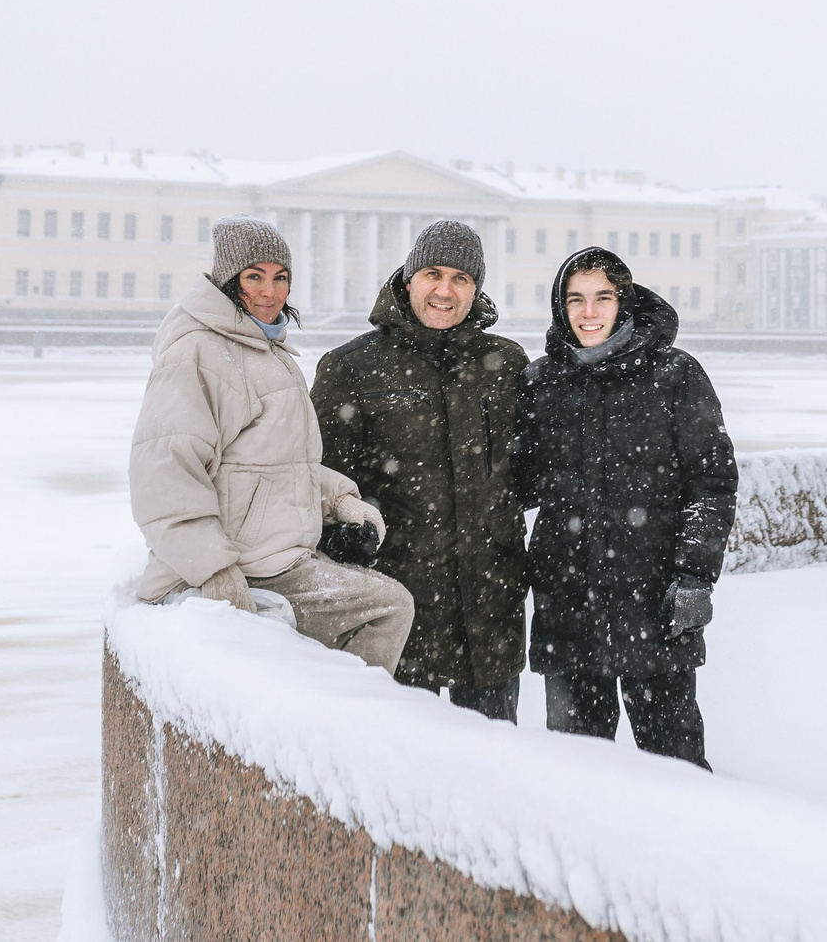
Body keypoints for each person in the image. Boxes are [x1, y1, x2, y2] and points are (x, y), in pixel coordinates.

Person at [128, 217, 413, 673]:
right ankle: (348, 721)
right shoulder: (200, 352)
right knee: (387, 606)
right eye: (253, 277)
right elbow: (165, 472)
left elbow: (274, 462)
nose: (269, 292)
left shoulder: (263, 350)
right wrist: (213, 570)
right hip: (243, 566)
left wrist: (337, 498)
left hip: (272, 555)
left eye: (281, 278)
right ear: (228, 281)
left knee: (379, 601)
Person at [516, 245, 738, 768]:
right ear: (559, 307)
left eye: (602, 298)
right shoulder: (541, 382)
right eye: (575, 300)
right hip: (568, 604)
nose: (588, 312)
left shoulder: (676, 376)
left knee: (676, 766)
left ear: (625, 302)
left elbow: (713, 483)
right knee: (577, 770)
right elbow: (517, 485)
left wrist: (694, 578)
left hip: (655, 606)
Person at [312, 219, 530, 719]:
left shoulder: (508, 363)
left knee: (496, 761)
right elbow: (318, 480)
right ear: (409, 278)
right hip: (398, 602)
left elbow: (530, 471)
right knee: (406, 763)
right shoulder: (352, 367)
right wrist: (345, 537)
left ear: (476, 289)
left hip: (490, 603)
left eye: (461, 279)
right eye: (433, 273)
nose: (445, 291)